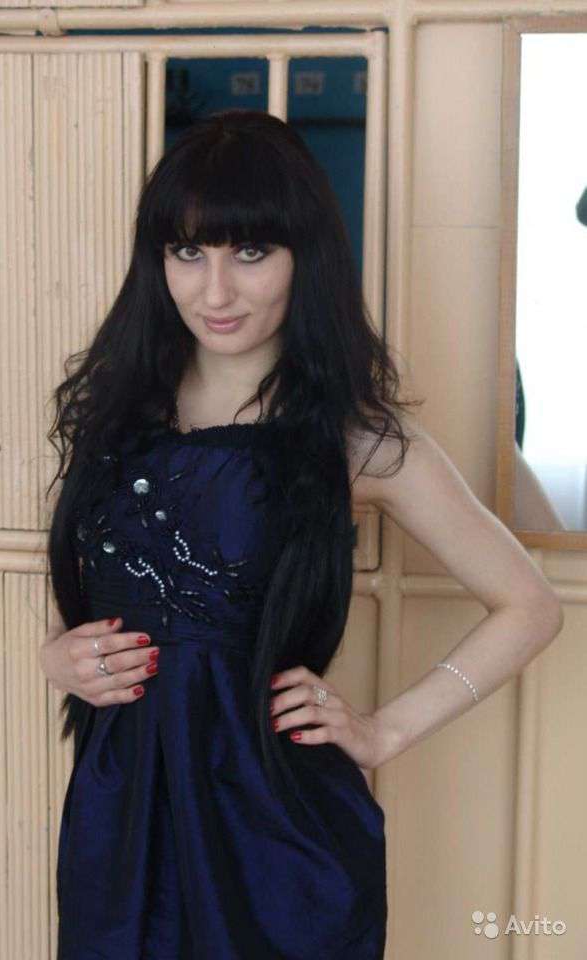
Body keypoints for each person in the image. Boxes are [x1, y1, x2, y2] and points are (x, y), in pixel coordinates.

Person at [39, 109, 563, 959]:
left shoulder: (356, 437)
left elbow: (531, 605)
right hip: (118, 820)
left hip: (274, 832)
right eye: (187, 252)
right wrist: (57, 656)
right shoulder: (115, 410)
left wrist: (385, 731)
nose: (215, 291)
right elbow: (80, 580)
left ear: (304, 256)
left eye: (250, 252)